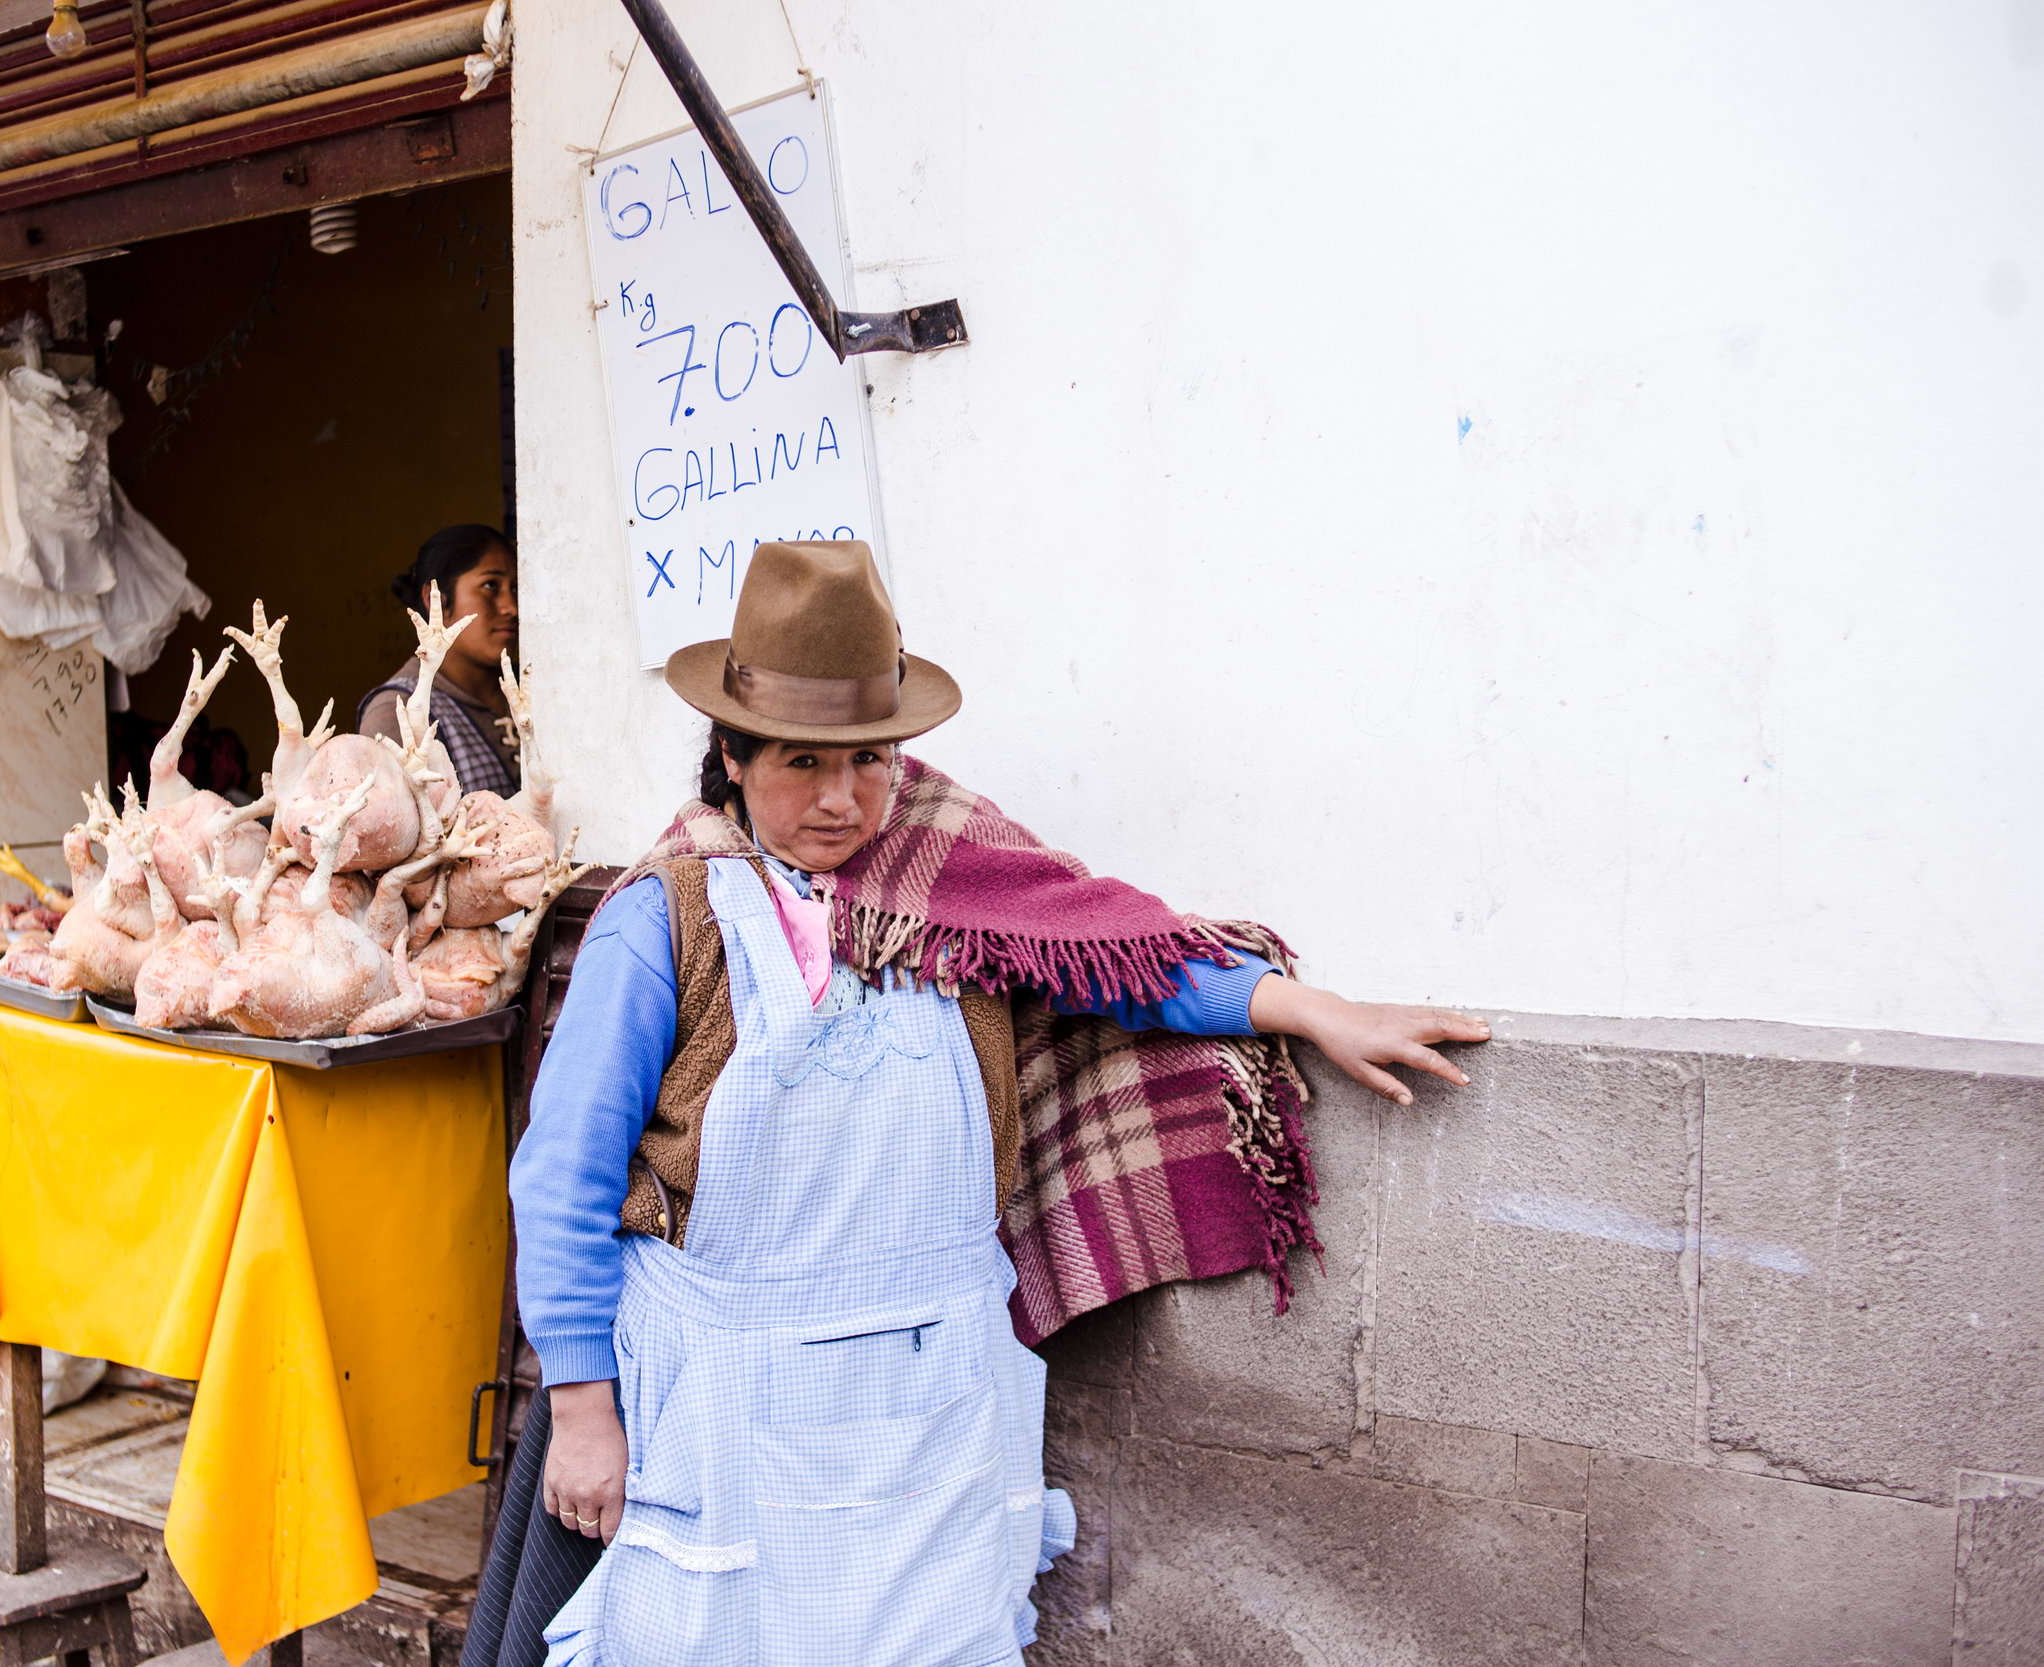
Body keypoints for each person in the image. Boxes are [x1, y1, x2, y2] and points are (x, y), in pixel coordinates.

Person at [477, 542, 1487, 1667]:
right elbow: (563, 1171)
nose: (839, 798)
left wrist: (1308, 1008)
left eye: (868, 760)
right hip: (729, 1398)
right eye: (801, 761)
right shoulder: (663, 921)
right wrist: (580, 1407)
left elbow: (1128, 964)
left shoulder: (950, 888)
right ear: (731, 749)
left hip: (931, 1396)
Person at [358, 523, 521, 797]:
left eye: (515, 588)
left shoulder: (534, 688)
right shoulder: (399, 713)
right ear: (437, 600)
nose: (511, 607)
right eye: (490, 585)